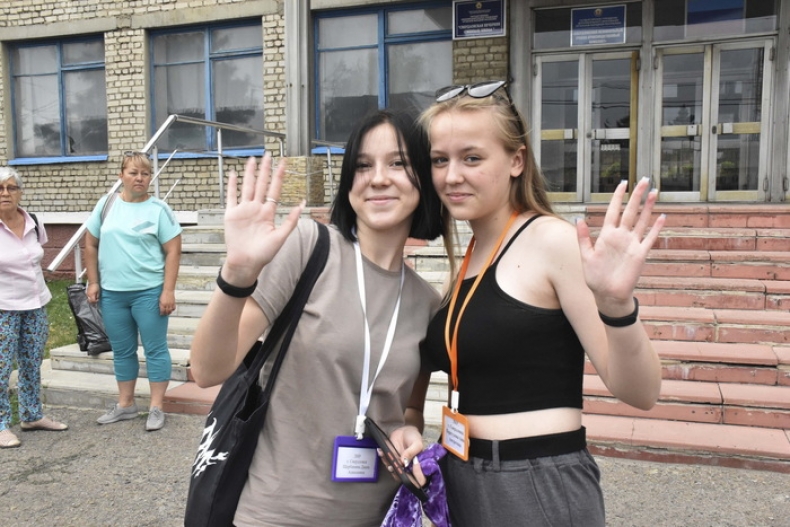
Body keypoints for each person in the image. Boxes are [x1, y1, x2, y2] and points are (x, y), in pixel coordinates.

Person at [417, 80, 666, 526]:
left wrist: (616, 306)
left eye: (472, 158)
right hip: (464, 475)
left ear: (516, 160)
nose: (451, 176)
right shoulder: (472, 253)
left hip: (534, 483)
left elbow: (641, 392)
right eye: (440, 159)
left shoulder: (552, 241)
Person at [189, 109, 448, 527]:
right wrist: (236, 275)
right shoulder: (309, 247)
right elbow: (206, 370)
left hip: (378, 515)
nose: (378, 178)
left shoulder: (428, 303)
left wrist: (411, 432)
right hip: (276, 514)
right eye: (362, 165)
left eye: (398, 163)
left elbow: (410, 410)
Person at [84, 151, 182, 432]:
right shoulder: (106, 204)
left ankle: (156, 407)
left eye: (145, 173)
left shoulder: (159, 210)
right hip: (113, 294)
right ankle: (126, 404)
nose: (139, 178)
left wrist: (168, 290)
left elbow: (173, 250)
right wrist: (94, 281)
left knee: (155, 349)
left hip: (148, 293)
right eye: (133, 173)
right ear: (121, 175)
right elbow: (90, 244)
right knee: (122, 351)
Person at [0, 168, 68, 449]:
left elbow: (34, 257)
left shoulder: (33, 221)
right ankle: (1, 424)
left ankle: (32, 415)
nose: (5, 193)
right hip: (3, 307)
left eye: (11, 188)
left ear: (20, 192)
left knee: (31, 362)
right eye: (0, 188)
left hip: (36, 303)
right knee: (1, 367)